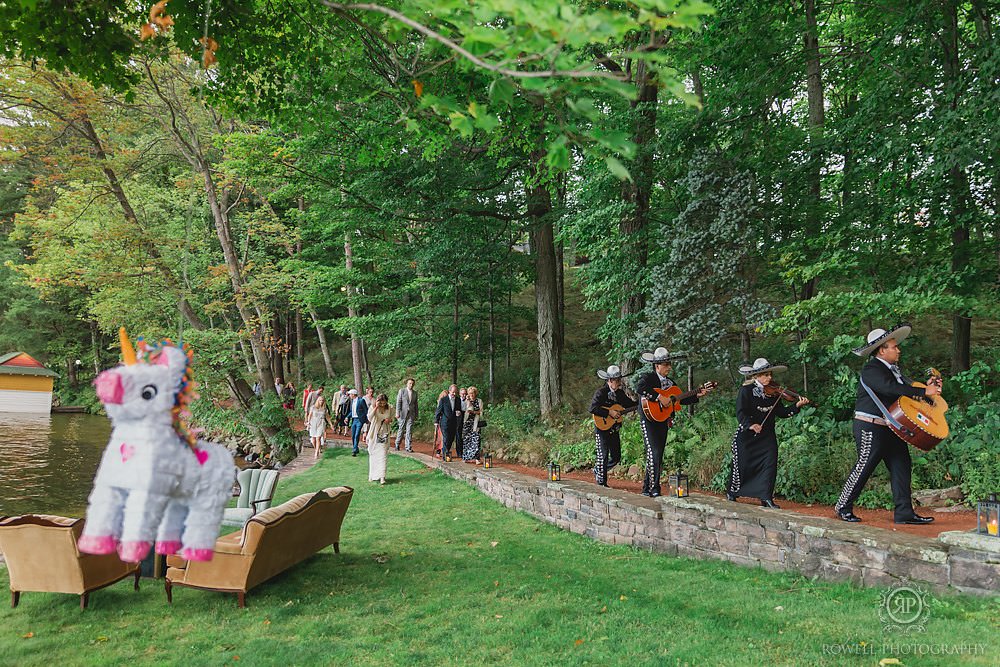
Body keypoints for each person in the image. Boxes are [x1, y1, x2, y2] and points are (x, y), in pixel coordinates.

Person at [834, 324, 940, 525]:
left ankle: (904, 513)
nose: (898, 349)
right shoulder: (872, 369)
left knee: (902, 466)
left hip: (892, 427)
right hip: (870, 426)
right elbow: (890, 389)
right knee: (865, 465)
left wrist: (927, 390)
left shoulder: (894, 371)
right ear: (882, 350)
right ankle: (842, 506)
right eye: (894, 346)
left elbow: (907, 393)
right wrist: (924, 392)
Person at [727, 359, 809, 508]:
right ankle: (733, 491)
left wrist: (797, 405)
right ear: (756, 376)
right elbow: (740, 412)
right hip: (747, 435)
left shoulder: (774, 393)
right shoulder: (746, 391)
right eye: (765, 375)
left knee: (769, 464)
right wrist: (751, 425)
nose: (769, 378)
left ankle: (766, 497)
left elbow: (782, 413)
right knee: (742, 463)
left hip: (767, 436)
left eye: (770, 374)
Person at [635, 347, 708, 497]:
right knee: (653, 452)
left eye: (669, 364)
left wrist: (697, 394)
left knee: (657, 453)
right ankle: (654, 488)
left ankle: (646, 488)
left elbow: (679, 397)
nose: (669, 367)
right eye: (666, 365)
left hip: (662, 420)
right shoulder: (648, 377)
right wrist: (658, 397)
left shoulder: (670, 383)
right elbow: (640, 387)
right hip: (648, 420)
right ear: (657, 366)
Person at [589, 365, 638, 488]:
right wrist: (609, 412)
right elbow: (593, 408)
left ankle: (599, 469)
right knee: (603, 455)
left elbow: (629, 404)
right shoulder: (601, 392)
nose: (619, 383)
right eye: (617, 380)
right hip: (602, 428)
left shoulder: (620, 393)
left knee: (616, 457)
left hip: (614, 428)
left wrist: (640, 403)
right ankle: (602, 483)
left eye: (619, 380)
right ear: (610, 381)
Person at [365, 393, 393, 485]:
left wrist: (389, 420)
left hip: (384, 433)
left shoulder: (390, 408)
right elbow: (369, 418)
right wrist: (376, 407)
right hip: (374, 433)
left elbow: (392, 418)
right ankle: (372, 475)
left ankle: (382, 477)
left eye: (383, 403)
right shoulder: (373, 407)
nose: (382, 405)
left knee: (383, 455)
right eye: (380, 403)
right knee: (373, 454)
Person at [435, 384, 464, 460]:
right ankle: (445, 456)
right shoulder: (443, 400)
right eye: (453, 392)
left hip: (454, 422)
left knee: (450, 439)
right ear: (449, 391)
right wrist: (436, 421)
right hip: (444, 422)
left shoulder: (458, 400)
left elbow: (459, 409)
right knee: (446, 438)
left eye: (455, 392)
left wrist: (459, 412)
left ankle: (447, 451)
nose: (454, 394)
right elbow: (438, 411)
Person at [394, 378, 419, 452]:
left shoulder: (415, 393)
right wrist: (397, 412)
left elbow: (416, 404)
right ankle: (397, 444)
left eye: (412, 383)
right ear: (407, 384)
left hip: (411, 414)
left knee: (409, 430)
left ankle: (408, 447)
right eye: (410, 383)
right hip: (402, 413)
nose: (411, 385)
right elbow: (398, 402)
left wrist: (416, 414)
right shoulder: (402, 391)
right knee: (401, 429)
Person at [461, 386, 484, 464]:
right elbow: (464, 410)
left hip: (476, 423)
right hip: (467, 423)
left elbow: (481, 412)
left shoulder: (479, 401)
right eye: (470, 393)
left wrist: (473, 412)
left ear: (475, 393)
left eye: (473, 393)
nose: (472, 395)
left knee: (476, 440)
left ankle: (477, 458)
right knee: (466, 440)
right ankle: (466, 457)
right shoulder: (466, 401)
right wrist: (468, 401)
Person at [306, 395, 334, 460]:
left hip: (321, 423)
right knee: (313, 440)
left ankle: (316, 453)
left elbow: (327, 417)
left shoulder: (324, 408)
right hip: (313, 423)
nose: (321, 402)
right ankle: (317, 448)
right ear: (317, 401)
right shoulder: (313, 407)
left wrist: (331, 424)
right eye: (320, 400)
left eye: (322, 400)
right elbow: (309, 415)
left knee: (318, 438)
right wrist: (308, 422)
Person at [347, 389, 368, 456]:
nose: (349, 395)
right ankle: (356, 448)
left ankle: (354, 450)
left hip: (359, 419)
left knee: (357, 434)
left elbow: (366, 410)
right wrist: (347, 417)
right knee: (353, 435)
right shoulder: (352, 401)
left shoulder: (361, 400)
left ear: (353, 394)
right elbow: (351, 411)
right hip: (354, 420)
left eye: (350, 394)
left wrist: (366, 419)